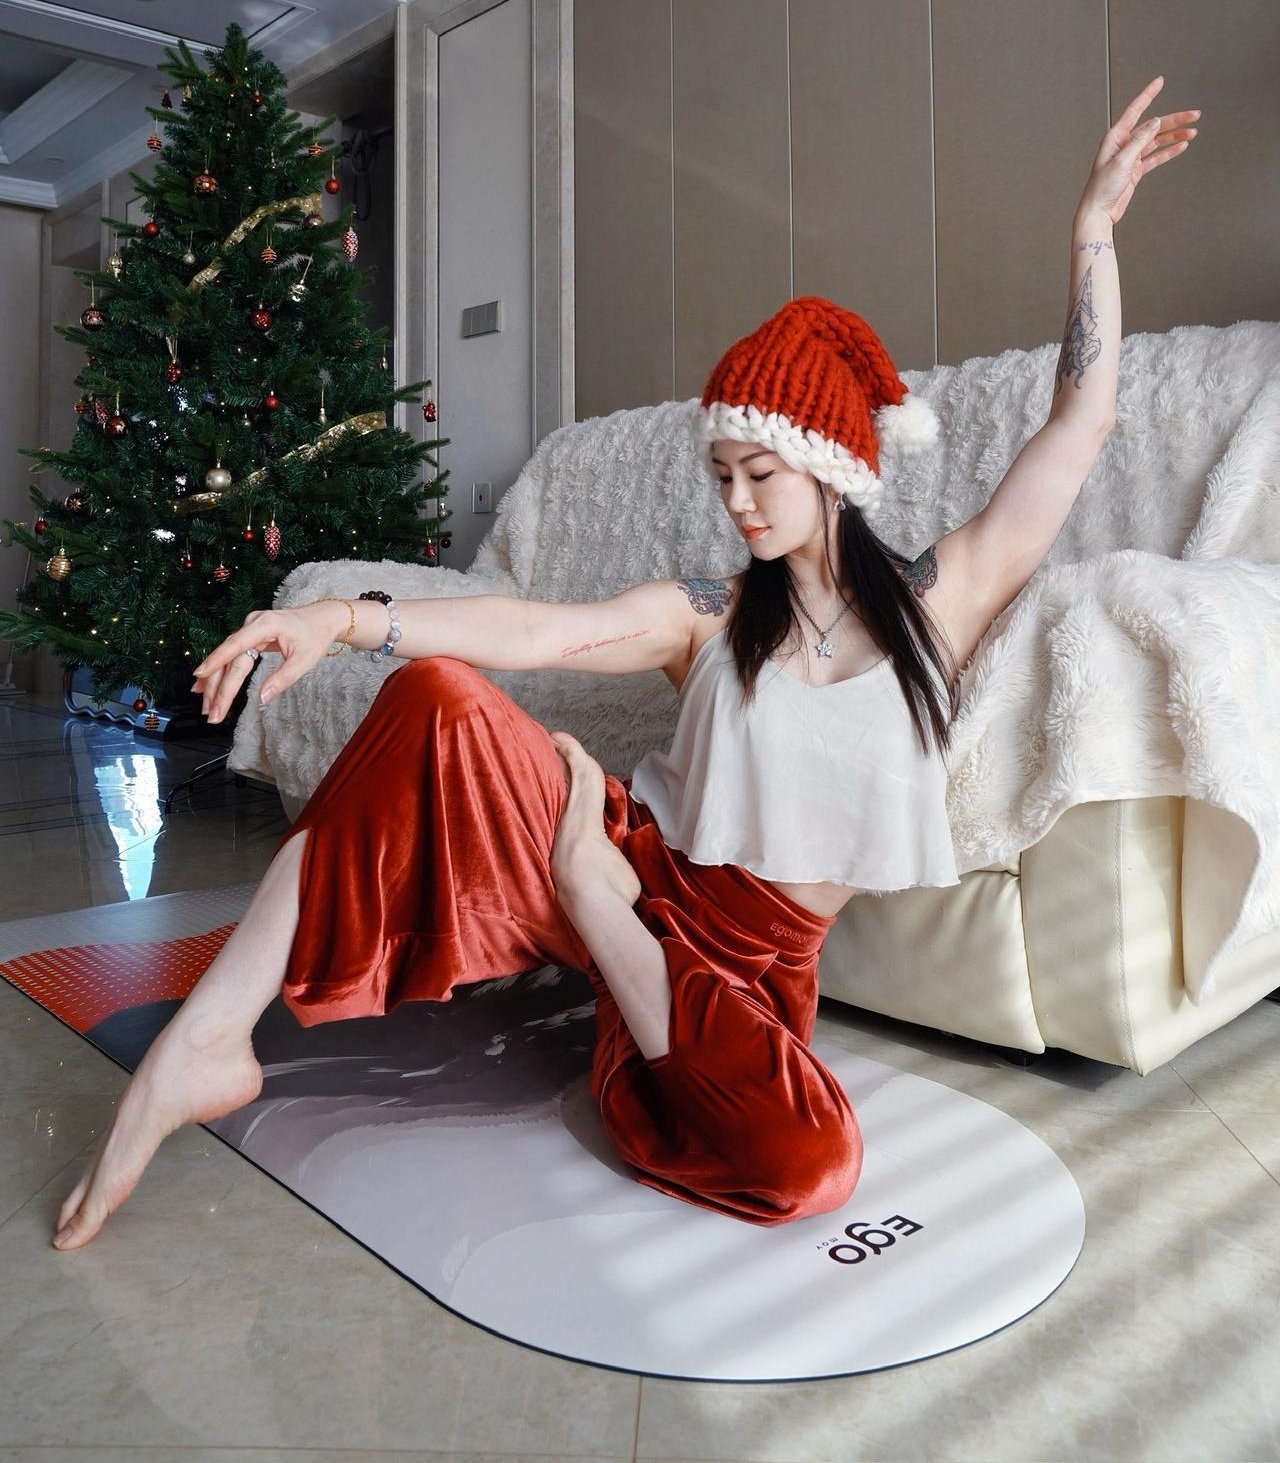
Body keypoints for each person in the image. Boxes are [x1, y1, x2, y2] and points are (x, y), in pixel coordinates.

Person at [49, 77, 1198, 1248]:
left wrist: (1091, 230)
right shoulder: (707, 611)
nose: (737, 500)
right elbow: (534, 630)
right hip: (631, 850)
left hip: (735, 964)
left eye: (761, 472)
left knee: (809, 1163)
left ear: (834, 470)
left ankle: (594, 911)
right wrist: (339, 616)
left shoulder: (932, 602)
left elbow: (1079, 424)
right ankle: (207, 1039)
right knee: (435, 696)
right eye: (722, 474)